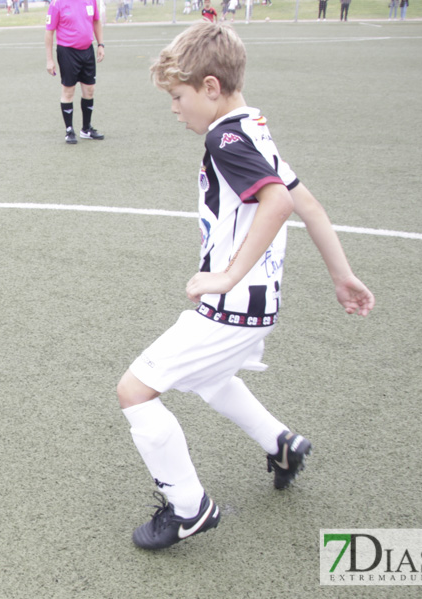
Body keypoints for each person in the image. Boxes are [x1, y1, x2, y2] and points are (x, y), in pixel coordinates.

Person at [118, 21, 375, 551]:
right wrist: (341, 274)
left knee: (134, 391)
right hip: (258, 304)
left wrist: (227, 274)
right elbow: (308, 204)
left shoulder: (225, 135)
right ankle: (282, 445)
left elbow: (279, 204)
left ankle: (188, 508)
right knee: (210, 379)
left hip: (232, 303)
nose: (174, 108)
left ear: (211, 87)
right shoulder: (253, 125)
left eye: (178, 95)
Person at [45, 0, 105, 144]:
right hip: (67, 52)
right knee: (68, 91)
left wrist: (100, 44)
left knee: (89, 90)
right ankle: (69, 130)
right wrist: (49, 60)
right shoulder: (57, 4)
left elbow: (96, 21)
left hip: (87, 50)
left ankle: (86, 129)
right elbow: (49, 32)